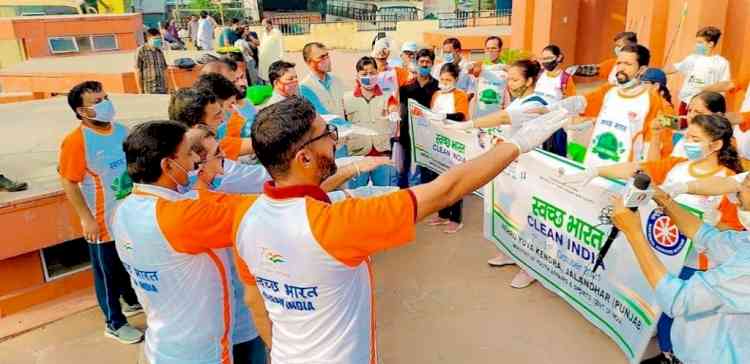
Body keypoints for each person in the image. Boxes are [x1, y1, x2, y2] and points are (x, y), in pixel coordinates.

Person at [231, 95, 570, 364]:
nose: (335, 142)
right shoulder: (339, 224)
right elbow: (447, 190)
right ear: (303, 158)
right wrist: (517, 144)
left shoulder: (246, 221)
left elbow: (255, 302)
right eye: (327, 135)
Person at [112, 120, 271, 364]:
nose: (196, 162)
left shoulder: (124, 210)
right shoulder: (182, 217)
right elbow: (274, 209)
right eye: (189, 155)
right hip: (201, 354)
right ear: (168, 165)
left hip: (162, 347)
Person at [610, 186, 750, 364]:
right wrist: (664, 200)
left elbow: (678, 300)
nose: (737, 194)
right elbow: (706, 236)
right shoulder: (746, 241)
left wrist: (633, 233)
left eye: (747, 185)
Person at [58, 81, 143, 344]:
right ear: (82, 111)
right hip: (101, 220)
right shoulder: (75, 141)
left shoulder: (122, 132)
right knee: (106, 273)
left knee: (127, 263)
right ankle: (114, 322)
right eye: (97, 101)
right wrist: (86, 219)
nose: (106, 104)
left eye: (106, 97)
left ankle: (130, 300)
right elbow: (68, 181)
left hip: (127, 216)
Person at [576, 44, 673, 167]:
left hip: (620, 177)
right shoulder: (609, 91)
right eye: (619, 63)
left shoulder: (654, 101)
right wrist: (550, 109)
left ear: (642, 70)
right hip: (591, 167)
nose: (621, 68)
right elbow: (582, 103)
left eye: (627, 64)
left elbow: (657, 144)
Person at [424, 62, 469, 233]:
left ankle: (456, 219)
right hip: (438, 142)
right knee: (440, 179)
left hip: (454, 143)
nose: (444, 82)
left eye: (448, 80)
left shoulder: (460, 95)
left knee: (454, 181)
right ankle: (442, 214)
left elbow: (461, 115)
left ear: (456, 80)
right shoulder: (436, 94)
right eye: (442, 79)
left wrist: (445, 116)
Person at [343, 56, 399, 188]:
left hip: (382, 155)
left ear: (378, 74)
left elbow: (393, 107)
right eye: (364, 74)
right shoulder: (346, 98)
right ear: (357, 76)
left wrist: (393, 112)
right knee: (356, 195)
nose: (369, 76)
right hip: (357, 156)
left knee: (383, 194)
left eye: (372, 73)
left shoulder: (387, 97)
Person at [664, 26, 733, 116]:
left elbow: (726, 84)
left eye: (700, 42)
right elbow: (675, 67)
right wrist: (658, 72)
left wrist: (703, 89)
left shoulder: (721, 62)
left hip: (705, 107)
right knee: (682, 127)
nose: (697, 45)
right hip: (687, 102)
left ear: (710, 44)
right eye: (696, 42)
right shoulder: (693, 58)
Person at [397, 48, 440, 188]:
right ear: (417, 63)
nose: (425, 64)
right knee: (406, 172)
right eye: (422, 61)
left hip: (429, 137)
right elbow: (401, 112)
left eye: (428, 62)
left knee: (428, 175)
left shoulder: (438, 87)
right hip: (408, 137)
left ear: (432, 64)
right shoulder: (406, 88)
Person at [469, 36, 510, 120]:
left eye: (493, 48)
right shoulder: (480, 67)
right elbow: (470, 70)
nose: (490, 51)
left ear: (500, 50)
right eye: (487, 48)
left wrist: (503, 67)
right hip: (478, 116)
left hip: (497, 117)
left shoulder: (506, 70)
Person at [573, 31, 638, 84]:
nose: (617, 49)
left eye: (619, 46)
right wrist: (575, 70)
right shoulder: (614, 62)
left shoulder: (637, 66)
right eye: (616, 46)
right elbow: (596, 69)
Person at [299, 42, 344, 116]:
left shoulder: (337, 81)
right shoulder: (305, 88)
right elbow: (322, 116)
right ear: (309, 62)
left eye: (327, 56)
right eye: (322, 57)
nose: (327, 60)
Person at [135, 28, 170, 94]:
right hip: (149, 87)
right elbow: (138, 71)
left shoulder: (159, 51)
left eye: (159, 39)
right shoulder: (141, 51)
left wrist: (167, 87)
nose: (158, 41)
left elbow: (165, 70)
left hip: (161, 86)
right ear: (148, 38)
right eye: (156, 39)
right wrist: (140, 89)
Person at [258, 18, 284, 83]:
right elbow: (261, 44)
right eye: (262, 25)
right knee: (265, 76)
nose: (263, 27)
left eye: (264, 25)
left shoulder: (276, 32)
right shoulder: (263, 33)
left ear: (269, 24)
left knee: (275, 75)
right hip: (264, 59)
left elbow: (281, 45)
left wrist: (281, 57)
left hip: (273, 59)